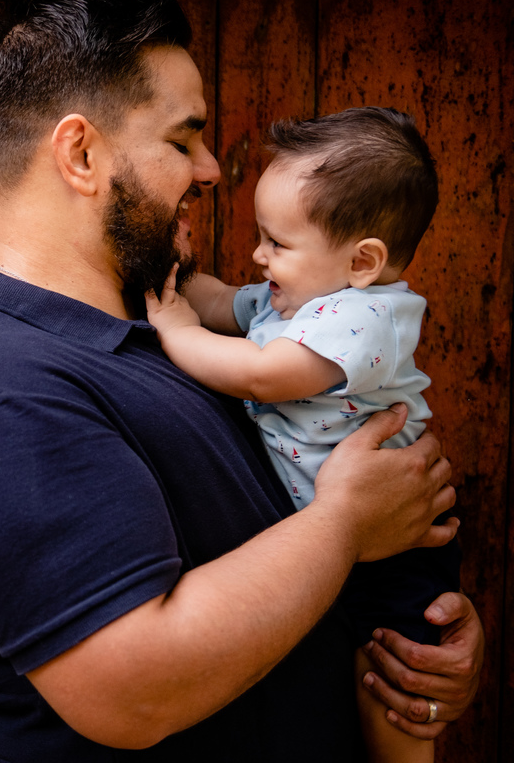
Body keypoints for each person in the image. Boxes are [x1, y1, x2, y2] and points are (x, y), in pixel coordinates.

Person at [0, 0, 483, 762]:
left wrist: (410, 654)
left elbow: (267, 557)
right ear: (81, 154)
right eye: (182, 140)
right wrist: (343, 527)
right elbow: (133, 693)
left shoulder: (155, 332)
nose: (210, 170)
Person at [144, 107, 460, 763]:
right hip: (340, 539)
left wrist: (176, 331)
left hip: (395, 547)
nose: (258, 256)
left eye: (277, 244)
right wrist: (168, 273)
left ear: (363, 260)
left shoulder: (365, 317)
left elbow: (263, 375)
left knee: (394, 685)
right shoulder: (292, 299)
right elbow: (218, 299)